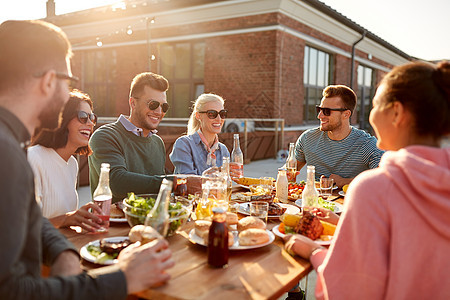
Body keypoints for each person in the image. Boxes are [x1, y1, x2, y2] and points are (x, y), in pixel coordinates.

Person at [0, 20, 174, 299]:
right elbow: (11, 292)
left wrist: (64, 252)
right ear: (47, 81)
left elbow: (32, 219)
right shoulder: (6, 155)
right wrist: (123, 279)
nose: (68, 92)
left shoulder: (11, 143)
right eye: (68, 81)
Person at [285, 61, 450, 299]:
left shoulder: (375, 188)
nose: (371, 115)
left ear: (396, 113)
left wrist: (313, 253)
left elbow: (352, 289)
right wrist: (343, 223)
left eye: (374, 105)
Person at [28, 90, 104, 232]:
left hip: (64, 245)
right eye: (83, 116)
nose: (90, 124)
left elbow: (65, 220)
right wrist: (66, 218)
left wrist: (80, 217)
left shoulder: (72, 165)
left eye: (92, 118)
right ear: (62, 119)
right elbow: (26, 226)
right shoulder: (33, 158)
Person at [89, 72, 169, 203]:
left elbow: (158, 191)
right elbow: (117, 183)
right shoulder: (105, 136)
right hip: (112, 222)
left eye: (164, 106)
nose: (159, 112)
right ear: (133, 103)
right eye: (153, 104)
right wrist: (176, 182)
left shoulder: (157, 142)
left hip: (150, 221)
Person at [294, 85, 384, 187]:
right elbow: (289, 171)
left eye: (326, 111)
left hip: (350, 202)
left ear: (346, 114)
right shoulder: (307, 139)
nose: (320, 116)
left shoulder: (366, 144)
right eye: (319, 109)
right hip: (315, 201)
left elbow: (384, 178)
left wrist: (345, 181)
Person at [169, 93, 230, 175]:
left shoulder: (223, 150)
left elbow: (224, 185)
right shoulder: (184, 144)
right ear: (198, 116)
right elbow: (188, 181)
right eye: (212, 114)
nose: (219, 119)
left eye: (222, 114)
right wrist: (218, 172)